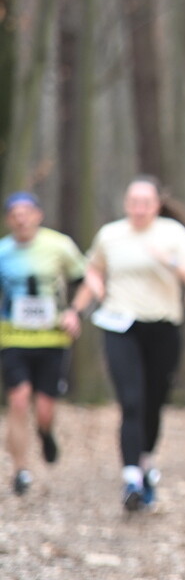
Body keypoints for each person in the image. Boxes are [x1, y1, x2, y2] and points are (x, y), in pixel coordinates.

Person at [71, 176, 185, 511]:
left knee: (154, 401)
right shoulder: (111, 235)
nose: (138, 209)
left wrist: (170, 262)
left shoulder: (172, 234)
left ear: (156, 205)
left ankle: (145, 458)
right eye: (133, 202)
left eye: (145, 203)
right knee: (131, 400)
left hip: (163, 327)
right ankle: (131, 476)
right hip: (121, 326)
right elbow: (92, 270)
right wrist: (80, 305)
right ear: (126, 203)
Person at [0, 192, 86, 496]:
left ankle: (46, 432)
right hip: (13, 338)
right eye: (14, 213)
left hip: (52, 339)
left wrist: (74, 312)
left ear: (39, 215)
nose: (21, 218)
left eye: (26, 212)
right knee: (19, 399)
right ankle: (20, 469)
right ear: (9, 219)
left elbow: (86, 280)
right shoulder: (3, 252)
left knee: (45, 409)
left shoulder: (59, 246)